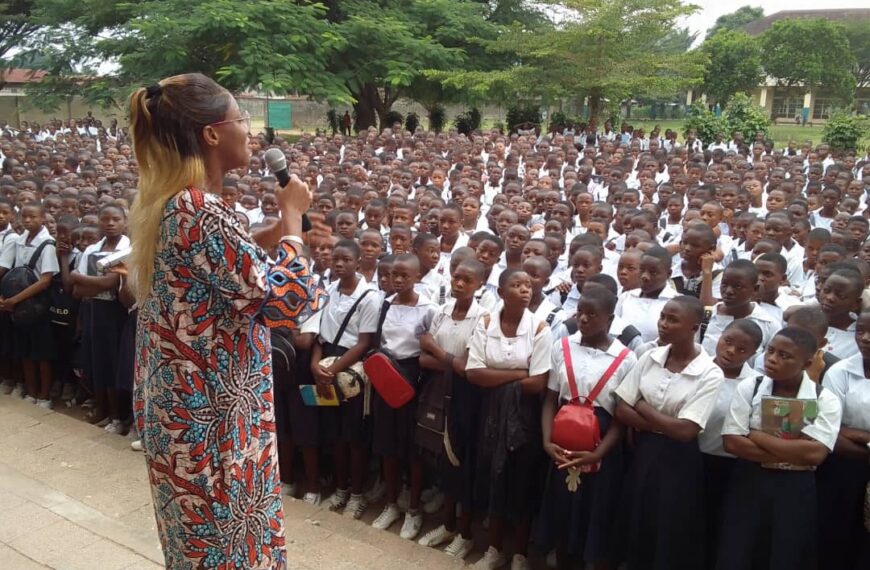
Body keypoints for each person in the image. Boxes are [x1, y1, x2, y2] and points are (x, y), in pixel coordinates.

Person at [128, 74, 325, 569]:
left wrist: (275, 231)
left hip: (187, 416)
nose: (251, 131)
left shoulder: (174, 203)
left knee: (199, 551)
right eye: (242, 119)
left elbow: (230, 266)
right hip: (216, 423)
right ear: (213, 134)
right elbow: (285, 303)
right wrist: (295, 225)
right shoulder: (200, 211)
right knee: (231, 554)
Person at [717, 328, 843, 570]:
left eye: (785, 356)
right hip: (749, 481)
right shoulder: (751, 387)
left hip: (794, 488)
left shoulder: (823, 399)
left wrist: (754, 435)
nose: (772, 359)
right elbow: (732, 442)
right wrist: (794, 451)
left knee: (785, 552)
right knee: (739, 549)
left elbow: (816, 454)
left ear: (807, 363)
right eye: (771, 351)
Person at [614, 295, 725, 570]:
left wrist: (643, 408)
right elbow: (620, 408)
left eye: (672, 320)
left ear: (694, 327)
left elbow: (686, 431)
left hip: (679, 461)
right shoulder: (651, 357)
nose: (663, 324)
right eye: (662, 316)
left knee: (669, 527)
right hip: (644, 450)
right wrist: (663, 423)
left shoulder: (710, 373)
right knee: (640, 519)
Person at [539, 285, 637, 570]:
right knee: (562, 503)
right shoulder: (563, 346)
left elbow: (620, 416)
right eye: (580, 312)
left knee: (597, 505)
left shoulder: (625, 358)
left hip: (602, 437)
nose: (583, 319)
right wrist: (547, 440)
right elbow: (549, 399)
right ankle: (561, 556)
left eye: (592, 315)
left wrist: (599, 454)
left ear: (609, 318)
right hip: (563, 430)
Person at [467, 268, 553, 570]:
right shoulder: (486, 322)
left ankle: (519, 553)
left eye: (528, 285)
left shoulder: (540, 328)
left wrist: (501, 379)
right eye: (516, 285)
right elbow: (473, 372)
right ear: (502, 292)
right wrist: (518, 374)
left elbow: (538, 383)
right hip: (489, 413)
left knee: (521, 481)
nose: (524, 290)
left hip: (524, 416)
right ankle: (493, 549)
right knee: (494, 477)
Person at [416, 257, 488, 559]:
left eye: (467, 280)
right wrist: (445, 358)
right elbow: (423, 359)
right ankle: (447, 524)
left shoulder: (483, 318)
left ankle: (465, 532)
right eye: (456, 277)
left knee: (462, 461)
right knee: (442, 458)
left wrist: (435, 349)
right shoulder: (443, 311)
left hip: (467, 397)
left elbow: (468, 367)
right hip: (438, 390)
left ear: (480, 285)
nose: (459, 284)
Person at [369, 253, 437, 539]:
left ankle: (412, 509)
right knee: (387, 442)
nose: (397, 280)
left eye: (404, 275)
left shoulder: (429, 309)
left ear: (417, 277)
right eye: (393, 274)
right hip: (386, 374)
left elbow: (430, 347)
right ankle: (391, 503)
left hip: (414, 375)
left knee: (413, 447)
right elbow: (378, 341)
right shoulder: (384, 305)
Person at [817, 310, 870, 570]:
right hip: (844, 466)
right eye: (860, 331)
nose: (865, 338)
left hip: (854, 452)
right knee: (837, 533)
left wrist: (852, 431)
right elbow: (830, 431)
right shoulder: (840, 372)